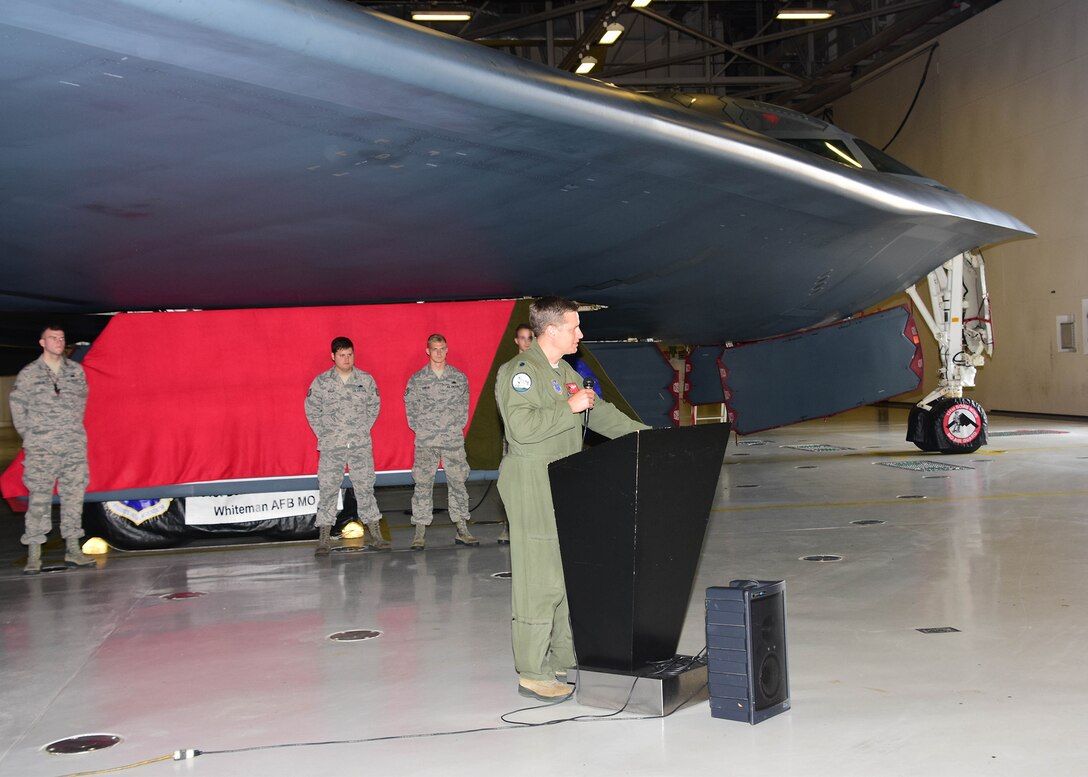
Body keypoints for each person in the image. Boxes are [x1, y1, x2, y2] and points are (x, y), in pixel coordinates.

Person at [495, 297, 648, 702]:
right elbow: (521, 429)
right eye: (574, 327)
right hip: (531, 479)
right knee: (538, 577)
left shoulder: (564, 372)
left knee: (565, 575)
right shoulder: (520, 373)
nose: (580, 334)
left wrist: (647, 437)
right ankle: (532, 669)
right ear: (551, 331)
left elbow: (600, 414)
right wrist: (568, 407)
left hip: (564, 478)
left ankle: (563, 656)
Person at [10, 325, 96, 574]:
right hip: (42, 449)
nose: (58, 342)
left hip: (72, 445)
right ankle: (35, 554)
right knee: (39, 499)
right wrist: (32, 436)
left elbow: (81, 401)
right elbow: (17, 407)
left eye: (61, 338)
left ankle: (73, 550)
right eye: (53, 338)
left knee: (74, 497)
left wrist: (70, 431)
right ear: (42, 342)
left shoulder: (75, 372)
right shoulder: (29, 374)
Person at [305, 336, 389, 555]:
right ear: (333, 356)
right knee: (328, 489)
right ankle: (324, 538)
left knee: (365, 489)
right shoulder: (322, 382)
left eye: (350, 354)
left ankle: (376, 535)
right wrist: (325, 434)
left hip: (359, 445)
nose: (346, 359)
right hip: (332, 446)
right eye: (342, 355)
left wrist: (360, 429)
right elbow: (311, 409)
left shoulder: (366, 380)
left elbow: (374, 406)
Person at [404, 334, 478, 550]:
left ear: (447, 350)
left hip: (452, 440)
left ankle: (462, 527)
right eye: (434, 349)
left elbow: (464, 406)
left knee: (458, 483)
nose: (438, 353)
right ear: (427, 351)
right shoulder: (417, 379)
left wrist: (453, 427)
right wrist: (424, 429)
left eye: (442, 349)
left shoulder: (458, 377)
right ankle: (419, 531)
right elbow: (410, 408)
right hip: (426, 441)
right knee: (423, 485)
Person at [496, 323, 535, 546]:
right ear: (516, 341)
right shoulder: (507, 369)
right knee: (512, 481)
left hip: (539, 434)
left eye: (530, 337)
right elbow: (501, 402)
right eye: (522, 338)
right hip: (514, 435)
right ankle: (508, 526)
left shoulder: (544, 367)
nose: (527, 342)